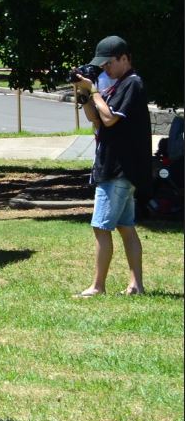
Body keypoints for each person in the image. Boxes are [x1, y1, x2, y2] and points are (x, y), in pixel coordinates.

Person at [72, 35, 148, 297]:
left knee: (100, 226)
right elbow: (95, 118)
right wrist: (84, 94)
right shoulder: (117, 85)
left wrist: (94, 90)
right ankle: (136, 285)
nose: (105, 69)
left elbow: (110, 119)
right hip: (117, 168)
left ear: (124, 58)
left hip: (118, 169)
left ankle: (98, 286)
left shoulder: (132, 84)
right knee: (126, 227)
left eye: (108, 64)